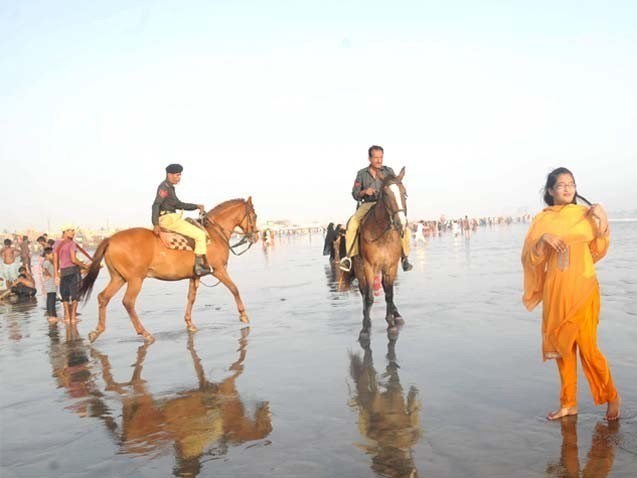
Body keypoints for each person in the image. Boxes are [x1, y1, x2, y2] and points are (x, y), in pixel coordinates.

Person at [522, 167, 620, 421]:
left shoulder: (584, 215)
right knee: (563, 349)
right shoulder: (542, 221)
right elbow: (530, 258)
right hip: (557, 291)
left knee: (588, 348)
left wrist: (603, 220)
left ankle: (611, 396)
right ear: (550, 191)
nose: (567, 188)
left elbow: (598, 250)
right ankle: (568, 403)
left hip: (584, 288)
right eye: (561, 184)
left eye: (571, 184)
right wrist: (543, 239)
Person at [339, 146, 413, 272]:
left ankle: (405, 257)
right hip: (368, 204)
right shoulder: (362, 174)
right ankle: (349, 257)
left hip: (386, 205)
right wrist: (364, 192)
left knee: (404, 226)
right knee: (352, 224)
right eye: (376, 158)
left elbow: (395, 186)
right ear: (369, 158)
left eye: (381, 157)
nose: (379, 160)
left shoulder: (388, 171)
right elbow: (355, 193)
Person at [151, 164, 209, 276]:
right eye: (177, 175)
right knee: (200, 235)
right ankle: (198, 267)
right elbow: (156, 204)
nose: (179, 178)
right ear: (169, 174)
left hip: (170, 217)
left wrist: (196, 206)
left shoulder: (170, 188)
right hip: (169, 219)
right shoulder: (164, 187)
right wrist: (155, 224)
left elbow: (178, 204)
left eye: (180, 175)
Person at [54, 225, 91, 323]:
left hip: (63, 271)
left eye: (73, 231)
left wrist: (56, 275)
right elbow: (74, 260)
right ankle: (73, 317)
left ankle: (67, 317)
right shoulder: (72, 243)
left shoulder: (57, 243)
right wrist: (85, 266)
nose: (73, 233)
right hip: (73, 271)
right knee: (76, 294)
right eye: (71, 230)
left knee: (64, 294)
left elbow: (55, 261)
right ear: (65, 231)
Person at [42, 247, 58, 323]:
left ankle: (50, 312)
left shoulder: (49, 261)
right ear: (47, 255)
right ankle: (52, 314)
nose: (53, 256)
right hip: (50, 281)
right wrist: (48, 275)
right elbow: (44, 270)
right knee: (51, 297)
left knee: (50, 296)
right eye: (52, 255)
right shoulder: (47, 262)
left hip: (51, 281)